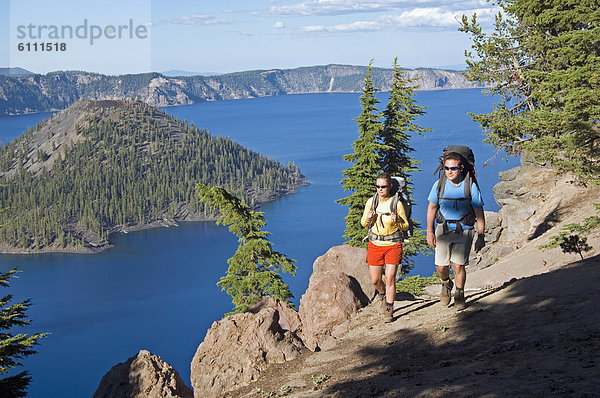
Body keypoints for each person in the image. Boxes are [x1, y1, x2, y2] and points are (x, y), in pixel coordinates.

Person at [426, 152, 486, 309]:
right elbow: (432, 208)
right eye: (446, 168)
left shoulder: (470, 186)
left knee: (458, 265)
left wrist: (481, 235)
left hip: (464, 230)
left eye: (452, 168)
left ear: (461, 168)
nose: (449, 171)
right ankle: (446, 283)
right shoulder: (439, 185)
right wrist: (430, 231)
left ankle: (459, 294)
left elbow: (479, 212)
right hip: (443, 230)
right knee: (441, 267)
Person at [361, 172, 410, 322]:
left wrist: (397, 221)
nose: (380, 189)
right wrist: (368, 218)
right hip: (375, 244)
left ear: (389, 186)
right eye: (378, 186)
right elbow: (363, 223)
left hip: (393, 244)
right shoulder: (371, 202)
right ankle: (382, 295)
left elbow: (405, 225)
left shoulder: (397, 204)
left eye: (383, 186)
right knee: (375, 280)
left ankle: (389, 307)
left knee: (390, 278)